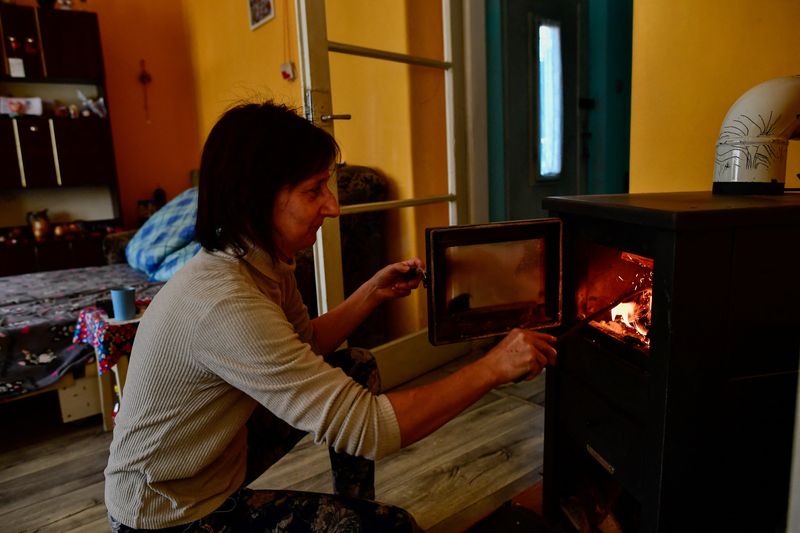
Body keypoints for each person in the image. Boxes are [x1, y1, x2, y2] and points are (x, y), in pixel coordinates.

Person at [104, 101, 558, 532]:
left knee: (355, 366)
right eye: (313, 190)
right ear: (256, 199)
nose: (333, 205)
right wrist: (493, 367)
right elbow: (370, 429)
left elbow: (304, 346)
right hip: (164, 513)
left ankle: (355, 506)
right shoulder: (223, 302)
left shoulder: (264, 261)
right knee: (393, 528)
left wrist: (371, 293)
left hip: (214, 457)